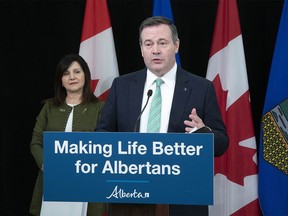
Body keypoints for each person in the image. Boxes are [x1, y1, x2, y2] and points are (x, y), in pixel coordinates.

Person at [95, 16, 229, 216]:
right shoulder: (121, 86)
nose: (155, 50)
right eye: (148, 44)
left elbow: (221, 143)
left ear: (176, 45)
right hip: (130, 197)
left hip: (181, 199)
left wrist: (204, 133)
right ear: (141, 49)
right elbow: (102, 134)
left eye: (162, 43)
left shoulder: (201, 88)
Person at [29, 54, 107, 216]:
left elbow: (105, 145)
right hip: (53, 179)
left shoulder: (100, 107)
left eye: (77, 72)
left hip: (86, 181)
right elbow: (36, 141)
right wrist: (47, 165)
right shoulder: (49, 107)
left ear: (85, 75)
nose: (72, 77)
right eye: (66, 73)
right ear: (60, 80)